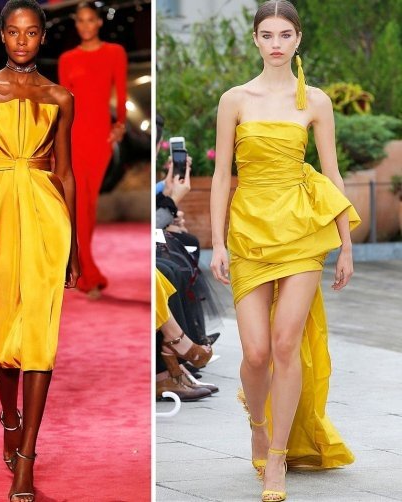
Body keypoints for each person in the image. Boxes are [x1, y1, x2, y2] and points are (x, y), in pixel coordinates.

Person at [208, 2, 358, 500]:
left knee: (286, 343)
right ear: (255, 39)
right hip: (249, 229)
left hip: (301, 230)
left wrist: (345, 244)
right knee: (255, 352)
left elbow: (332, 174)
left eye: (285, 34)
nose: (277, 43)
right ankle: (258, 425)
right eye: (268, 34)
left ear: (298, 40)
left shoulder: (315, 101)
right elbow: (221, 176)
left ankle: (277, 459)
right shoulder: (234, 99)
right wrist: (217, 242)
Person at [0, 1, 79, 500]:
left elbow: (65, 172)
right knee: (4, 332)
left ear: (43, 36)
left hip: (48, 215)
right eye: (13, 32)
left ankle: (27, 458)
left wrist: (74, 247)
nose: (22, 40)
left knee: (40, 336)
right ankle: (9, 417)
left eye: (31, 32)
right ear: (1, 35)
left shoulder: (60, 97)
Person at [56, 2, 127, 297]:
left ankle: (78, 265)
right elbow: (63, 101)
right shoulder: (67, 59)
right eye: (80, 21)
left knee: (89, 205)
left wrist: (120, 124)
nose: (85, 25)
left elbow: (121, 92)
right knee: (78, 203)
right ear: (76, 24)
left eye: (90, 20)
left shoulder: (114, 52)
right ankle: (87, 272)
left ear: (99, 22)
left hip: (100, 139)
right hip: (73, 137)